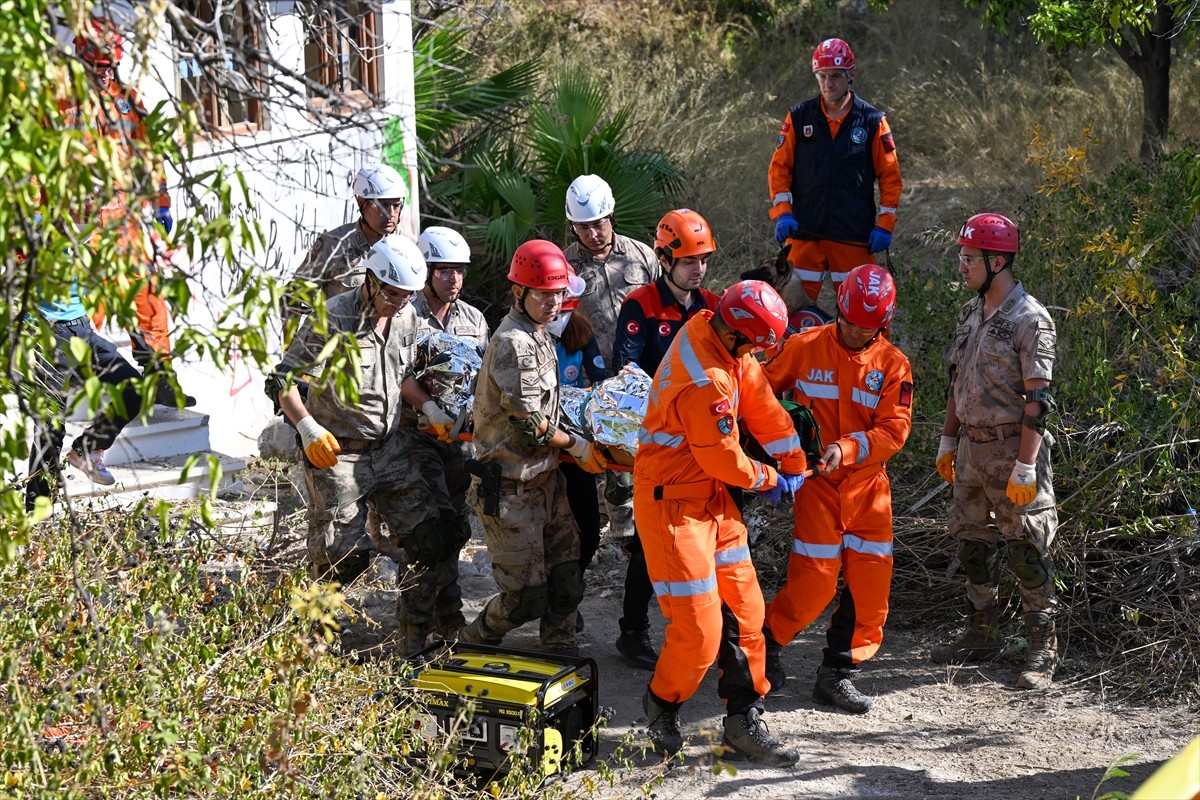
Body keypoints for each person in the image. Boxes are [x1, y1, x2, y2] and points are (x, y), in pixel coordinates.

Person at [635, 280, 807, 766]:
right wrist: (770, 478)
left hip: (710, 498)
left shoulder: (720, 336)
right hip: (673, 506)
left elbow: (761, 404)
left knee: (747, 613)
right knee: (699, 631)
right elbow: (723, 457)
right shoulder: (705, 378)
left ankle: (744, 719)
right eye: (753, 346)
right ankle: (662, 705)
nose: (754, 354)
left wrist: (794, 458)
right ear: (735, 335)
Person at [758, 264, 913, 714]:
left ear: (882, 323)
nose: (854, 331)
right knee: (814, 583)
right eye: (848, 321)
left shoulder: (893, 365)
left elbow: (894, 431)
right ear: (839, 309)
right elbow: (758, 391)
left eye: (866, 327)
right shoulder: (804, 346)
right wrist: (774, 451)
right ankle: (764, 646)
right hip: (818, 486)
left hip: (869, 489)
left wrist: (846, 449)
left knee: (870, 589)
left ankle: (838, 672)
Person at [271, 235, 452, 586]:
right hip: (337, 453)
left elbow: (400, 374)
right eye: (392, 294)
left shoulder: (406, 316)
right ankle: (320, 623)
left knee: (427, 541)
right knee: (340, 562)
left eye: (407, 295)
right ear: (370, 280)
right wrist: (307, 428)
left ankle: (414, 622)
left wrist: (428, 406)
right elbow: (283, 381)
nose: (399, 303)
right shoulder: (332, 318)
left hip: (390, 449)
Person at [459, 240, 608, 656]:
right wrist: (579, 447)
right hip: (511, 489)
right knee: (525, 599)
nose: (553, 302)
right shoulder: (514, 342)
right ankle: (471, 642)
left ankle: (559, 651)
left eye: (558, 293)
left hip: (547, 482)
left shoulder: (539, 332)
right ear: (518, 292)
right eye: (543, 294)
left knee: (567, 580)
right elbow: (530, 426)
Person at [930, 213, 1060, 690]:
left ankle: (1041, 647)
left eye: (970, 259)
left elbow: (1037, 401)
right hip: (970, 450)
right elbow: (955, 382)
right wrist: (948, 439)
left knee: (1027, 549)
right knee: (972, 546)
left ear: (997, 262)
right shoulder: (971, 312)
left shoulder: (1030, 319)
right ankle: (981, 633)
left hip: (1012, 451)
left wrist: (1026, 465)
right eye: (962, 257)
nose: (961, 266)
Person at [610, 208, 721, 672]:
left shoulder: (712, 306)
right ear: (664, 259)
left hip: (707, 445)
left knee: (716, 539)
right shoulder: (640, 306)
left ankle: (716, 632)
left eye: (704, 260)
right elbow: (626, 373)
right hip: (659, 446)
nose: (698, 269)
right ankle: (633, 631)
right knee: (649, 542)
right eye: (689, 261)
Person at [69, 16, 192, 408]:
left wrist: (161, 202)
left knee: (148, 294)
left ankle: (159, 376)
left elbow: (149, 153)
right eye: (97, 66)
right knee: (90, 303)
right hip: (79, 222)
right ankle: (80, 381)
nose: (105, 73)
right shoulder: (60, 103)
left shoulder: (127, 100)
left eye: (110, 66)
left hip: (124, 219)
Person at [390, 226, 491, 654]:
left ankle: (448, 618)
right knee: (426, 532)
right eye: (445, 270)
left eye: (460, 271)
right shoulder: (404, 314)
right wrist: (428, 407)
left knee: (454, 530)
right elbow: (397, 373)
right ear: (427, 271)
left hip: (459, 442)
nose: (454, 279)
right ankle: (413, 631)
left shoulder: (473, 320)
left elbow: (482, 377)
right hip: (414, 438)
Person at [767, 37, 903, 305]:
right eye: (823, 76)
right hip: (805, 233)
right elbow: (779, 169)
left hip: (853, 235)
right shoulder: (799, 117)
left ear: (850, 74)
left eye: (836, 76)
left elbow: (890, 177)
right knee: (790, 312)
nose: (828, 83)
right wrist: (783, 213)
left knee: (862, 309)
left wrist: (885, 225)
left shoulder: (872, 121)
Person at [563, 174, 659, 540]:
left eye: (598, 224)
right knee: (596, 464)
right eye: (582, 227)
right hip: (589, 383)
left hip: (639, 380)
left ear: (611, 216)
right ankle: (606, 532)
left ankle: (629, 537)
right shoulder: (565, 266)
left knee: (636, 463)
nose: (592, 233)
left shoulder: (642, 256)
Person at [24, 278, 145, 505]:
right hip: (48, 335)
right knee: (50, 425)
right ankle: (39, 509)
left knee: (134, 387)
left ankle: (87, 448)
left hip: (83, 330)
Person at [549, 269, 608, 621]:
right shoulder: (517, 336)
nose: (557, 312)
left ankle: (568, 593)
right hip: (534, 448)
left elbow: (600, 380)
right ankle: (551, 600)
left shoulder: (581, 332)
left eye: (566, 305)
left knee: (588, 530)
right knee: (544, 530)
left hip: (574, 447)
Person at [284, 163, 408, 326]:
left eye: (396, 205)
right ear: (361, 202)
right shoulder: (333, 244)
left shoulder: (408, 246)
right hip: (342, 337)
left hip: (391, 338)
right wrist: (293, 341)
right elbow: (294, 300)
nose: (391, 213)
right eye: (382, 205)